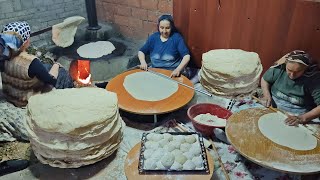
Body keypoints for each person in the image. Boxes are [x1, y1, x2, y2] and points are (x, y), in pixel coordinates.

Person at [0, 21, 73, 107]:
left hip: (12, 96)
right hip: (25, 102)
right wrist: (56, 65)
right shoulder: (31, 62)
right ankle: (68, 101)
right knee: (63, 73)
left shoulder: (3, 57)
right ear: (25, 42)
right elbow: (52, 81)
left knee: (46, 67)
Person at [260, 50, 320, 126]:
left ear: (305, 68)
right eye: (289, 70)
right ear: (285, 65)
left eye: (297, 71)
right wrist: (266, 95)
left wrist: (302, 118)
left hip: (298, 115)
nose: (292, 75)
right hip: (274, 108)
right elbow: (265, 79)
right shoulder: (279, 68)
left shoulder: (313, 79)